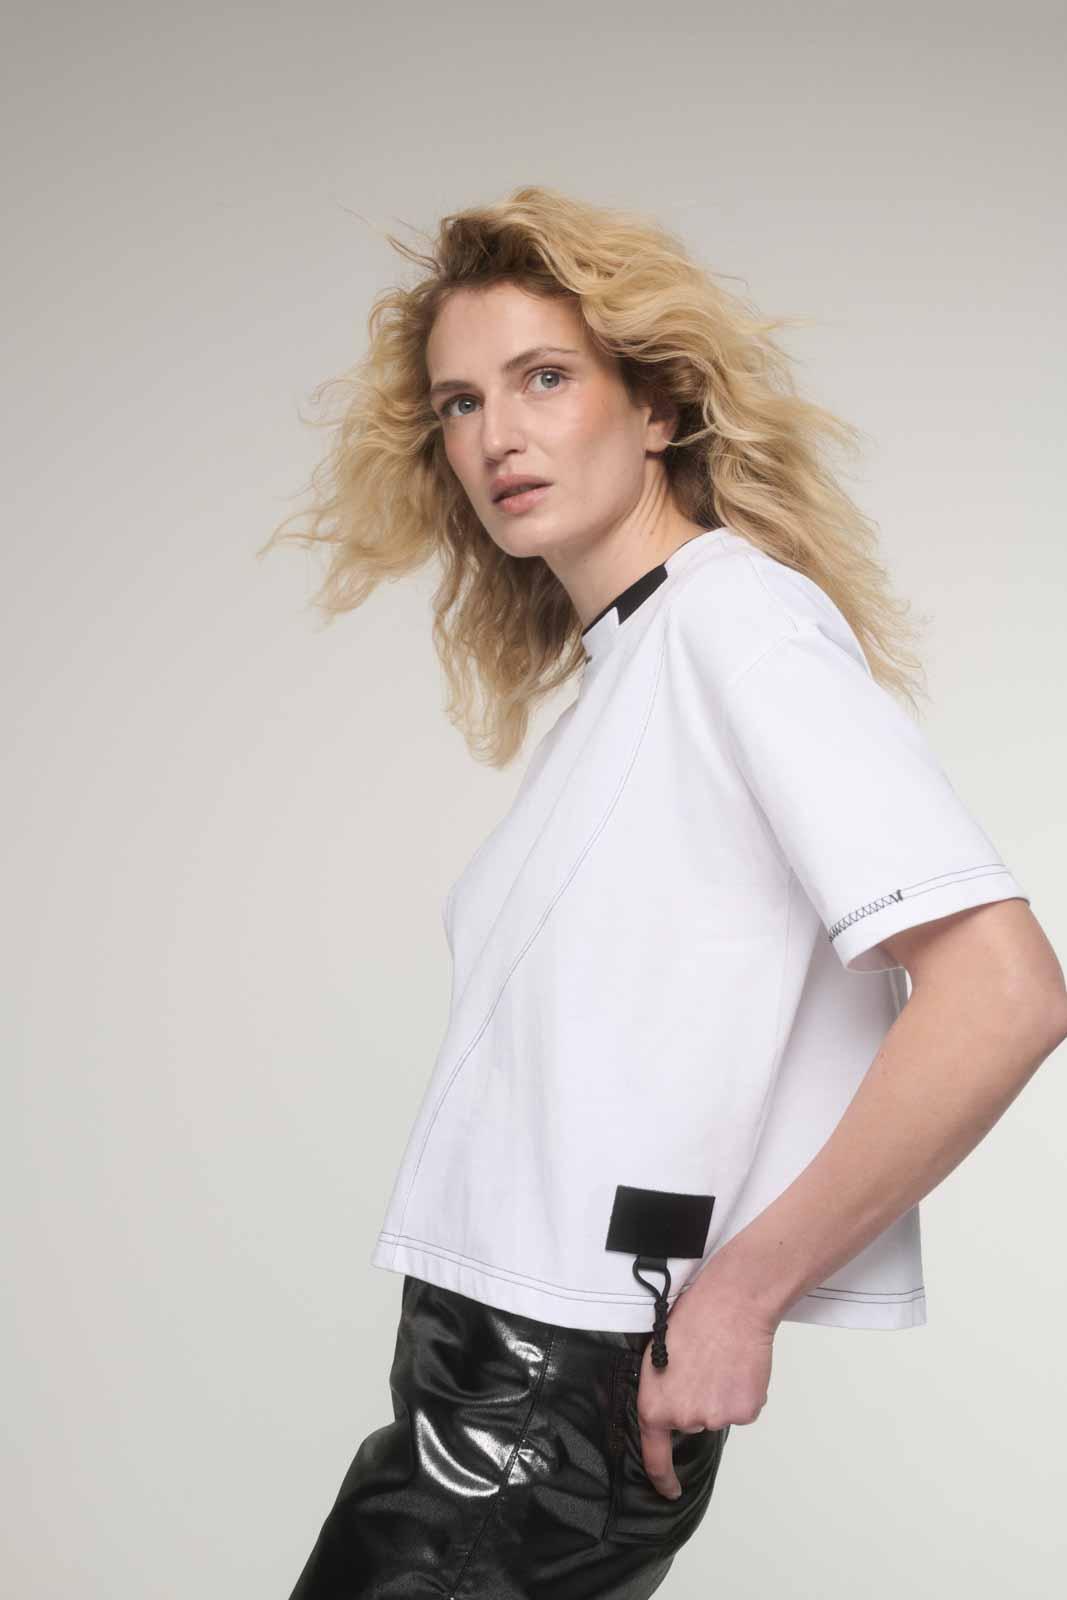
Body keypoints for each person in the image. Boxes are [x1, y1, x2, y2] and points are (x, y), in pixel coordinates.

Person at [263, 186, 1067, 1598]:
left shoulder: (733, 624)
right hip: (495, 1365)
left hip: (546, 1392)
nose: (497, 436)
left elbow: (1004, 990)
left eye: (544, 378)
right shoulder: (640, 664)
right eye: (460, 403)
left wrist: (740, 1294)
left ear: (656, 408)